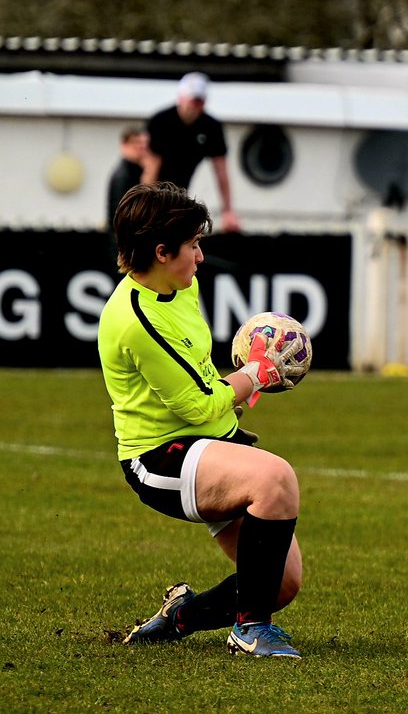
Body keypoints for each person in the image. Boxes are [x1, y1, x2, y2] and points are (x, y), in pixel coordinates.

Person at [98, 182, 305, 657]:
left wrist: (241, 379)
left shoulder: (179, 286)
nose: (200, 256)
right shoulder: (135, 319)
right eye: (192, 245)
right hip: (159, 458)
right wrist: (255, 374)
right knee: (275, 478)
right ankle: (250, 632)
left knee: (281, 583)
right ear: (161, 252)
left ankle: (181, 617)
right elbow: (198, 406)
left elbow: (202, 378)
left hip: (209, 442)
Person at [143, 72, 241, 233]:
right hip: (148, 187)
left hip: (179, 193)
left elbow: (221, 172)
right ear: (181, 98)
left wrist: (228, 211)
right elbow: (151, 168)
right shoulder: (161, 122)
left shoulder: (211, 127)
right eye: (192, 101)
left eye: (199, 102)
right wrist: (146, 206)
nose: (195, 106)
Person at [106, 126, 147, 231]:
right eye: (136, 143)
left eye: (143, 143)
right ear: (124, 145)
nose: (140, 147)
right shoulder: (124, 175)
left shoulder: (132, 172)